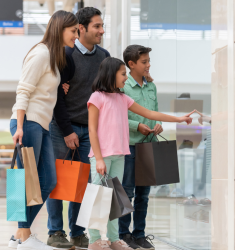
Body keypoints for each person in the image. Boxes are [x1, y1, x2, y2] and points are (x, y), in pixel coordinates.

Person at [47, 8, 154, 250]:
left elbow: (111, 90)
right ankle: (55, 231)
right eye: (96, 26)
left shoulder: (104, 55)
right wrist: (66, 130)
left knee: (84, 185)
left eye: (102, 25)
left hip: (92, 131)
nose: (102, 31)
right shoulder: (65, 54)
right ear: (81, 28)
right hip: (65, 127)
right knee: (59, 181)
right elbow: (56, 96)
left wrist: (144, 77)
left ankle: (77, 232)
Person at [87, 57, 194, 250]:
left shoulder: (123, 98)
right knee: (98, 196)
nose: (125, 77)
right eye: (122, 74)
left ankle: (112, 239)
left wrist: (178, 118)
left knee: (115, 199)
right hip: (101, 156)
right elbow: (92, 131)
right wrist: (99, 159)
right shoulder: (97, 97)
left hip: (120, 155)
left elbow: (150, 114)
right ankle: (94, 239)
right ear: (111, 74)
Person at [8, 10, 79, 250]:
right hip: (28, 123)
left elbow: (45, 90)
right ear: (60, 29)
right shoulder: (40, 53)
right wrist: (18, 126)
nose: (76, 36)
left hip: (42, 125)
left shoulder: (53, 58)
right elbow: (23, 91)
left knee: (48, 180)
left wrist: (60, 87)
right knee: (26, 182)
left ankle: (20, 234)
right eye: (73, 31)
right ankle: (23, 236)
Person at [118, 45, 160, 249]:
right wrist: (137, 126)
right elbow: (117, 117)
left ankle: (140, 234)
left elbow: (156, 112)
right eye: (144, 62)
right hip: (130, 147)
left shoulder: (152, 87)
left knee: (144, 194)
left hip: (149, 148)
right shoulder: (122, 87)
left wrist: (157, 125)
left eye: (148, 61)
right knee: (126, 193)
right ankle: (123, 234)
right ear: (131, 64)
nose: (148, 65)